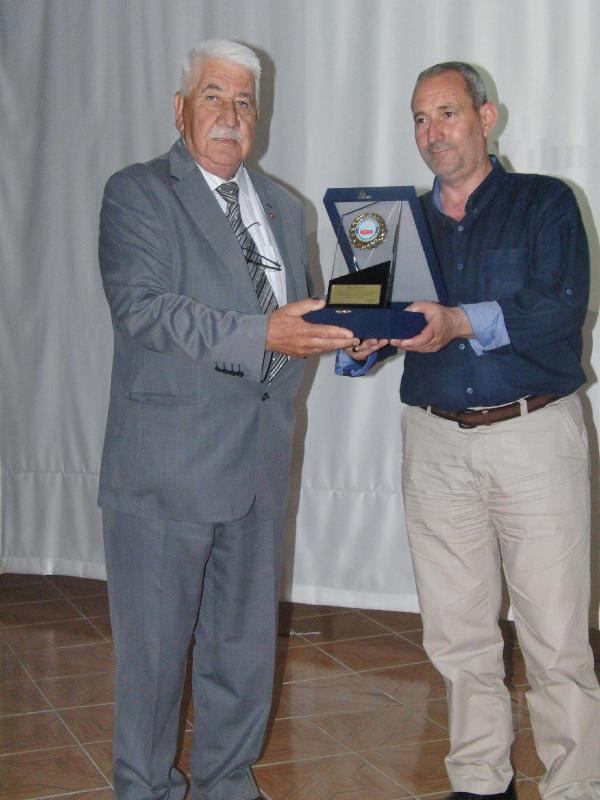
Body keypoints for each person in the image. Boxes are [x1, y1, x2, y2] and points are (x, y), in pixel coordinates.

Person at [98, 38, 357, 800]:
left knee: (241, 655)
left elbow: (298, 319)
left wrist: (354, 332)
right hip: (166, 473)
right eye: (214, 95)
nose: (230, 114)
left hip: (257, 466)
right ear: (180, 109)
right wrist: (265, 334)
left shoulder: (284, 207)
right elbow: (145, 311)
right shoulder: (138, 193)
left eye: (245, 101)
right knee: (153, 662)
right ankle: (144, 789)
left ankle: (226, 783)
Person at [338, 62, 600, 800]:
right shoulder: (391, 224)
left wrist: (459, 321)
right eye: (420, 119)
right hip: (434, 444)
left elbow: (560, 305)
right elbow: (372, 325)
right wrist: (361, 343)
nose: (433, 133)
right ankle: (481, 779)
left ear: (487, 118)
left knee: (556, 635)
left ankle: (576, 784)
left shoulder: (546, 202)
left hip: (533, 435)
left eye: (447, 113)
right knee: (457, 632)